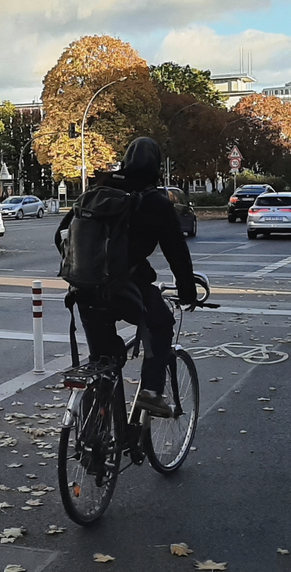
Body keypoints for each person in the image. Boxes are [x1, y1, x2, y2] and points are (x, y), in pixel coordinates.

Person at [56, 137, 196, 417]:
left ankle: (96, 435)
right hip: (126, 289)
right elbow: (176, 252)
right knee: (162, 324)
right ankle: (151, 392)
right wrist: (187, 289)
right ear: (156, 165)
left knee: (104, 359)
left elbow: (61, 235)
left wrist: (85, 267)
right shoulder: (156, 201)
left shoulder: (97, 190)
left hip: (84, 290)